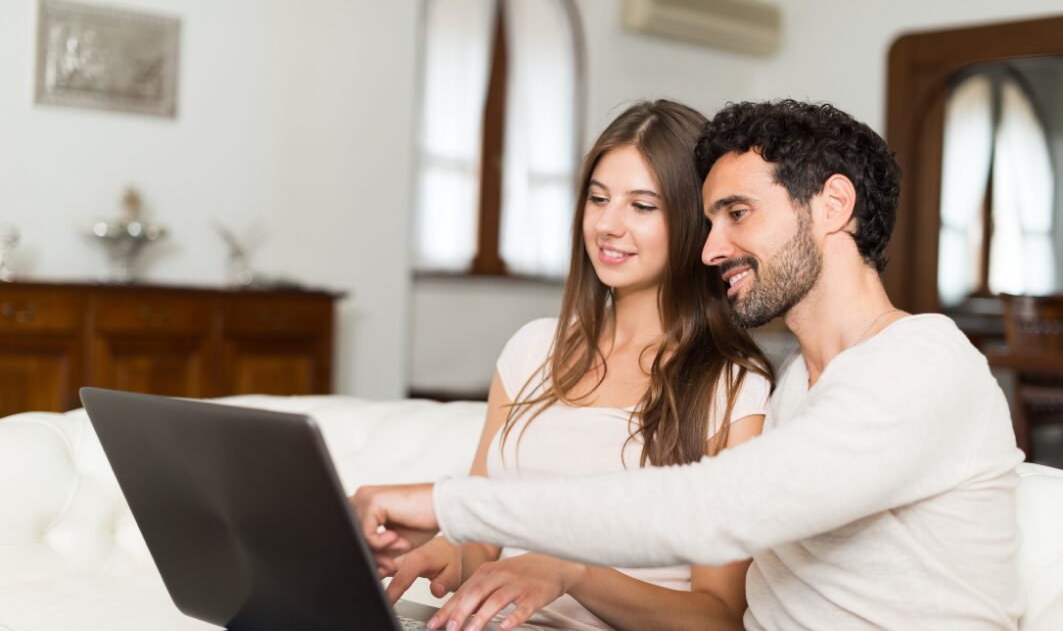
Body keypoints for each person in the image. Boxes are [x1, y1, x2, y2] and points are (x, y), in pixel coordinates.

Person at [354, 100, 1024, 630]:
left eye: (736, 214)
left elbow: (713, 506)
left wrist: (451, 505)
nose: (709, 251)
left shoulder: (921, 365)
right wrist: (461, 548)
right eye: (707, 222)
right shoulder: (801, 385)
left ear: (832, 207)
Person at [386, 100, 774, 631]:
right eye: (598, 198)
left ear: (691, 220)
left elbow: (720, 618)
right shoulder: (531, 349)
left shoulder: (732, 389)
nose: (608, 225)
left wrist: (574, 573)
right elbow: (485, 537)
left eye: (642, 206)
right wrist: (443, 552)